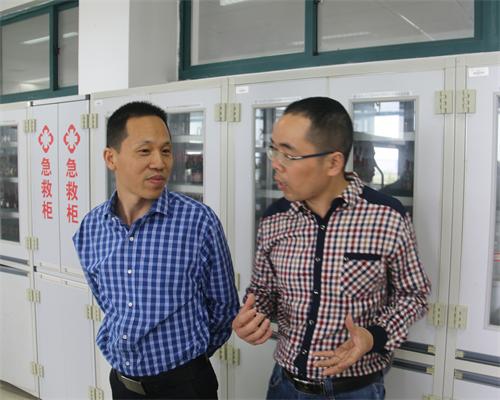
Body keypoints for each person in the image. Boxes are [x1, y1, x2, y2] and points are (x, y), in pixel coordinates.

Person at [232, 97, 431, 399]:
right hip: (285, 385)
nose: (275, 164)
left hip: (355, 390)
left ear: (333, 162)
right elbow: (263, 290)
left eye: (289, 154)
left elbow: (413, 295)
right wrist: (253, 316)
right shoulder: (275, 219)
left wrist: (373, 337)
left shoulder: (386, 217)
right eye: (274, 150)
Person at [73, 101, 239, 399]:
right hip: (123, 385)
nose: (159, 163)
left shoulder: (198, 222)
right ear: (111, 158)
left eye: (165, 151)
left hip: (185, 386)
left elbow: (224, 308)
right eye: (144, 151)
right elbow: (108, 303)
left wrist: (188, 364)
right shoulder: (91, 227)